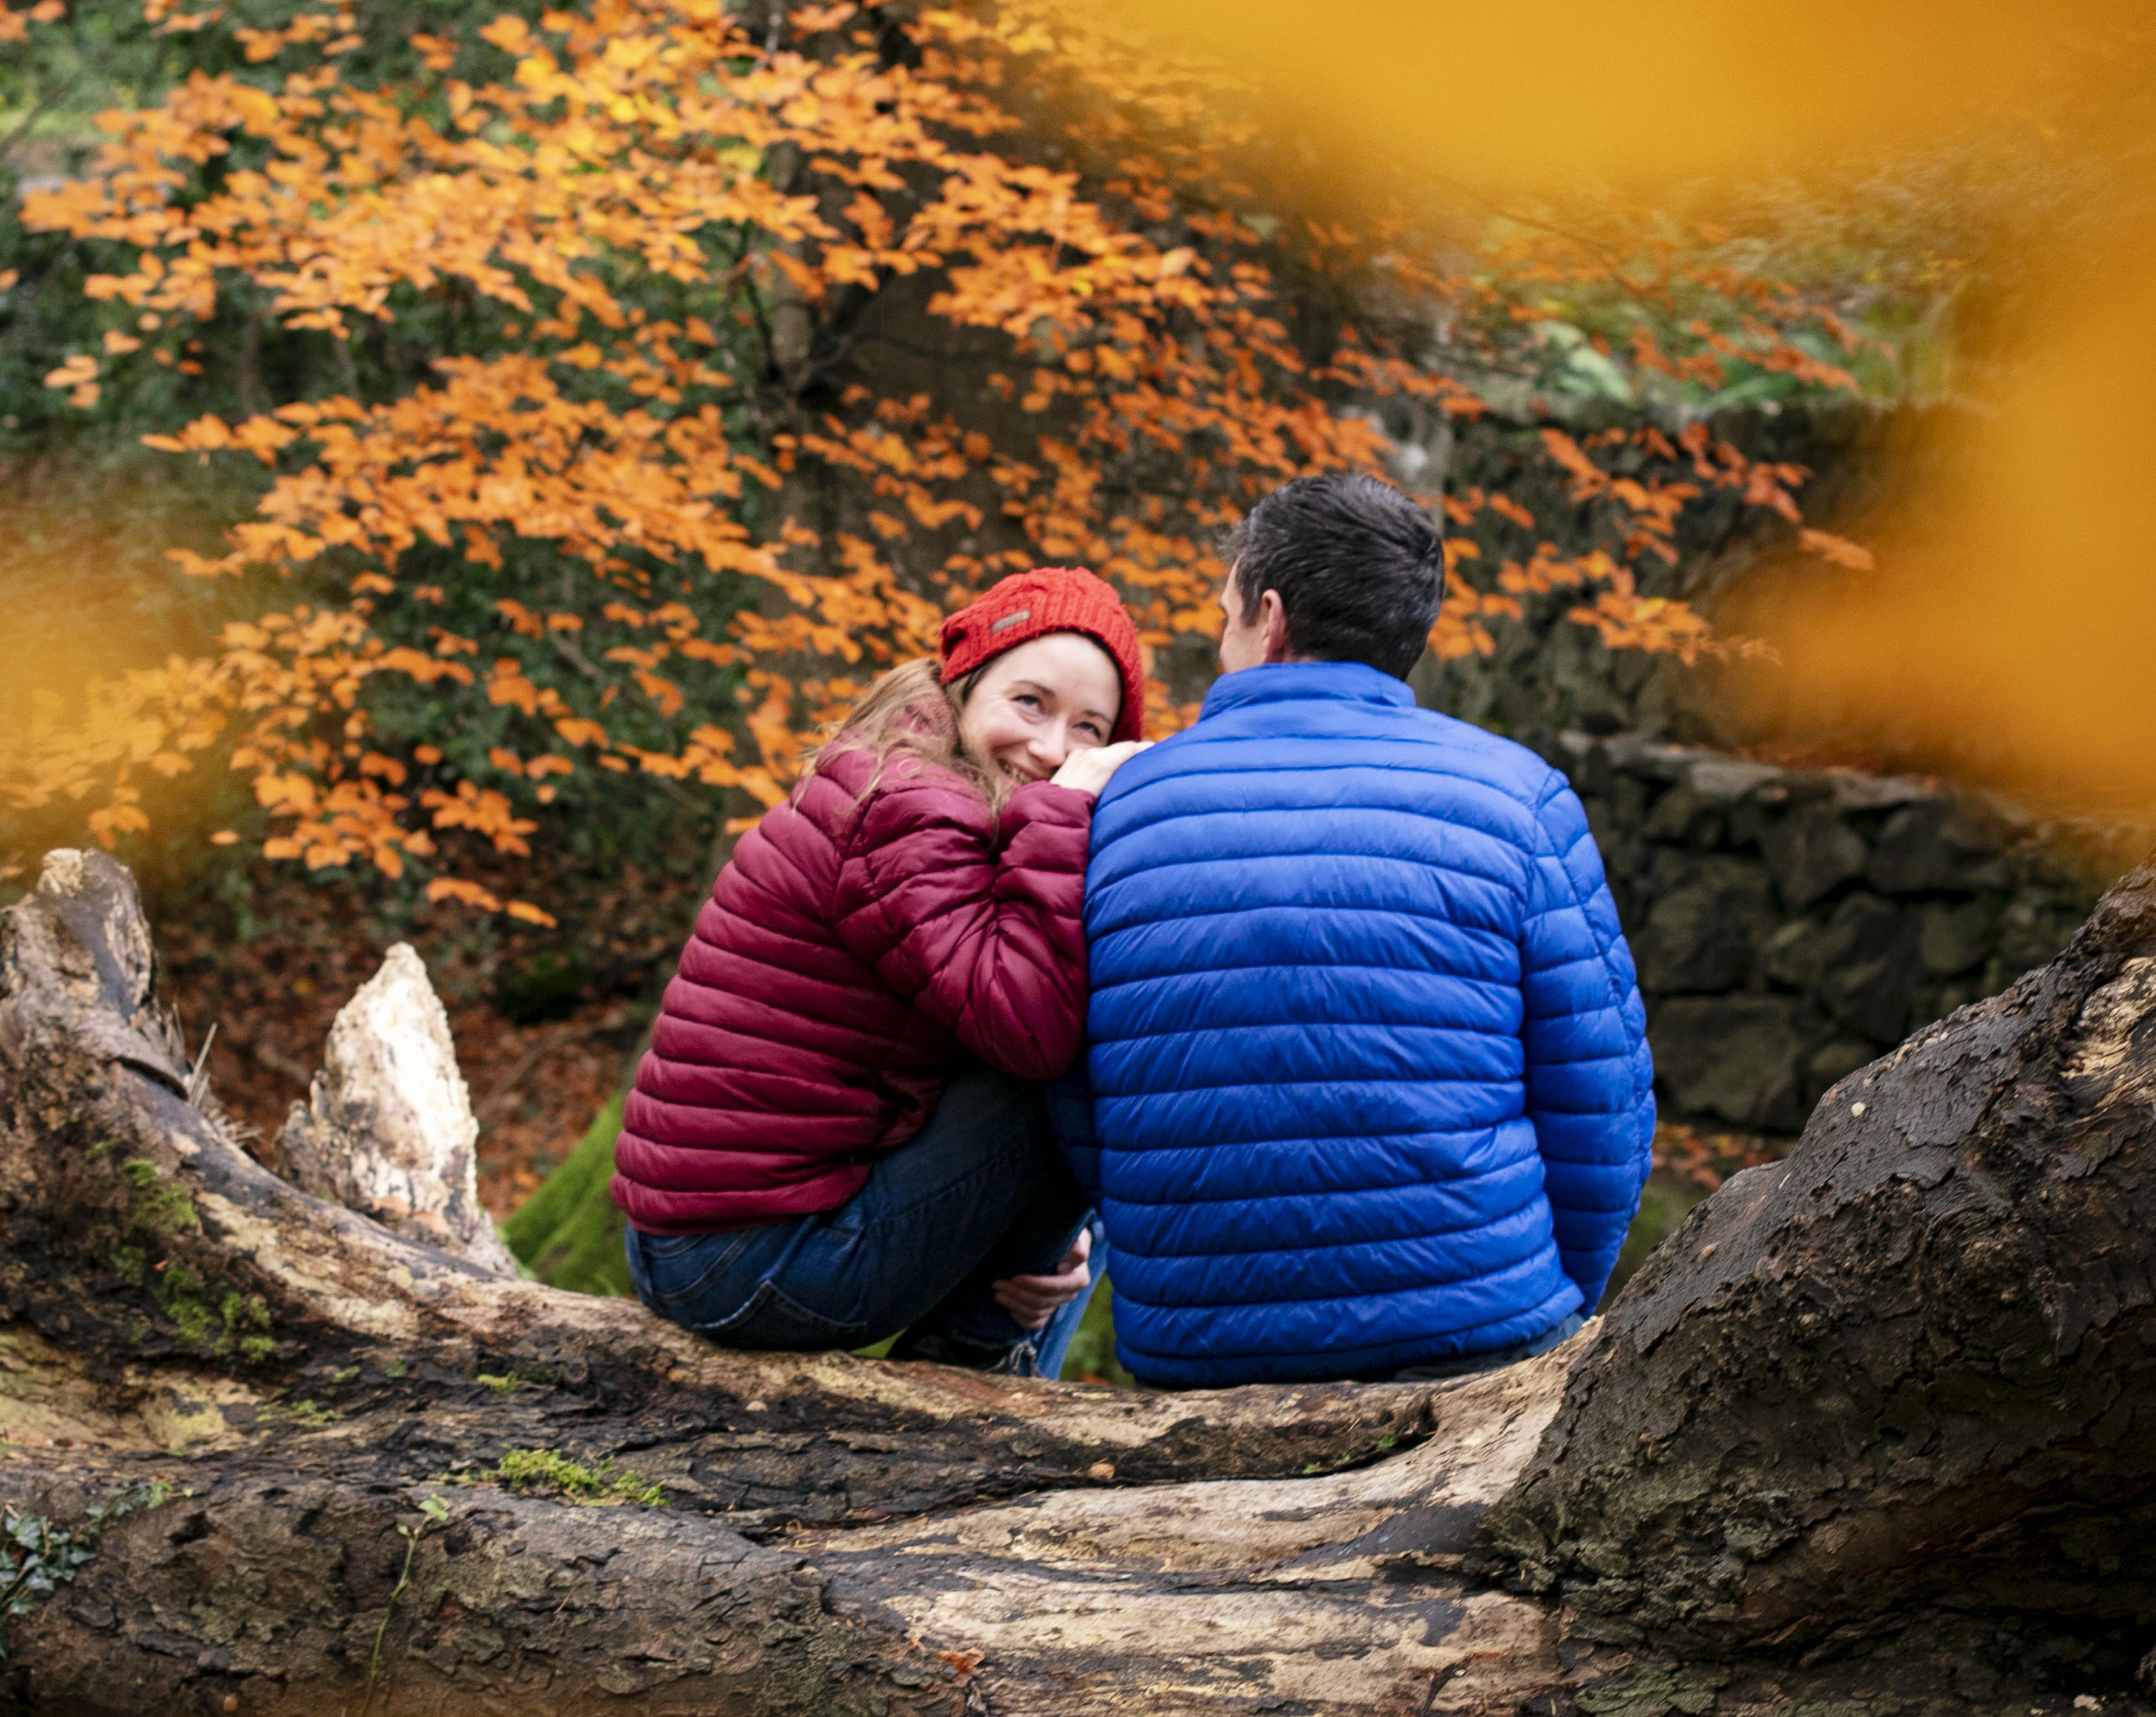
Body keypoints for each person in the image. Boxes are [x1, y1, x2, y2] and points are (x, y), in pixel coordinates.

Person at [1054, 470, 1651, 1388]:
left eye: (1225, 617)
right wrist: (1539, 1294)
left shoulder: (1120, 806)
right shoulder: (1518, 796)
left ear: (1270, 616)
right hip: (1478, 1323)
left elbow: (1071, 1084)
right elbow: (1599, 1097)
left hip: (1200, 1349)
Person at [612, 566, 1148, 1376]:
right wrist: (1064, 812)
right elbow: (1028, 1028)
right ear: (962, 685)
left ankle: (999, 1341)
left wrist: (1051, 1225)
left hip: (716, 1236)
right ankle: (986, 1359)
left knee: (1087, 1117)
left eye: (1087, 728)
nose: (1050, 748)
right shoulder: (907, 807)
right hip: (743, 1258)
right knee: (1087, 1054)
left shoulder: (915, 780)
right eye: (1029, 702)